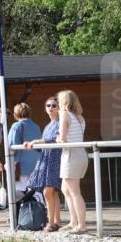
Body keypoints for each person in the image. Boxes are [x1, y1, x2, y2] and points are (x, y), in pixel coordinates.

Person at [24, 96, 63, 231]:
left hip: (55, 159)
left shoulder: (60, 123)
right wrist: (32, 145)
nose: (51, 108)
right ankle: (57, 222)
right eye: (48, 105)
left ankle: (51, 223)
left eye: (54, 105)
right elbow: (44, 145)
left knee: (48, 192)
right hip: (45, 159)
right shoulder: (48, 125)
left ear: (59, 108)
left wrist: (36, 141)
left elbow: (55, 139)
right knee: (53, 193)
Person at [57, 90, 89, 234]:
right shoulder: (80, 117)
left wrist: (57, 139)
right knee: (66, 189)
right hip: (80, 153)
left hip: (71, 154)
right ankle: (73, 221)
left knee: (75, 192)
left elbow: (62, 139)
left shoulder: (65, 115)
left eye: (59, 100)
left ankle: (81, 225)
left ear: (64, 101)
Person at [8, 102, 42, 193]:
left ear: (16, 113)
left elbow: (12, 145)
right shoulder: (36, 126)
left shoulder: (16, 126)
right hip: (35, 163)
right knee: (33, 192)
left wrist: (8, 162)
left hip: (20, 165)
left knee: (20, 193)